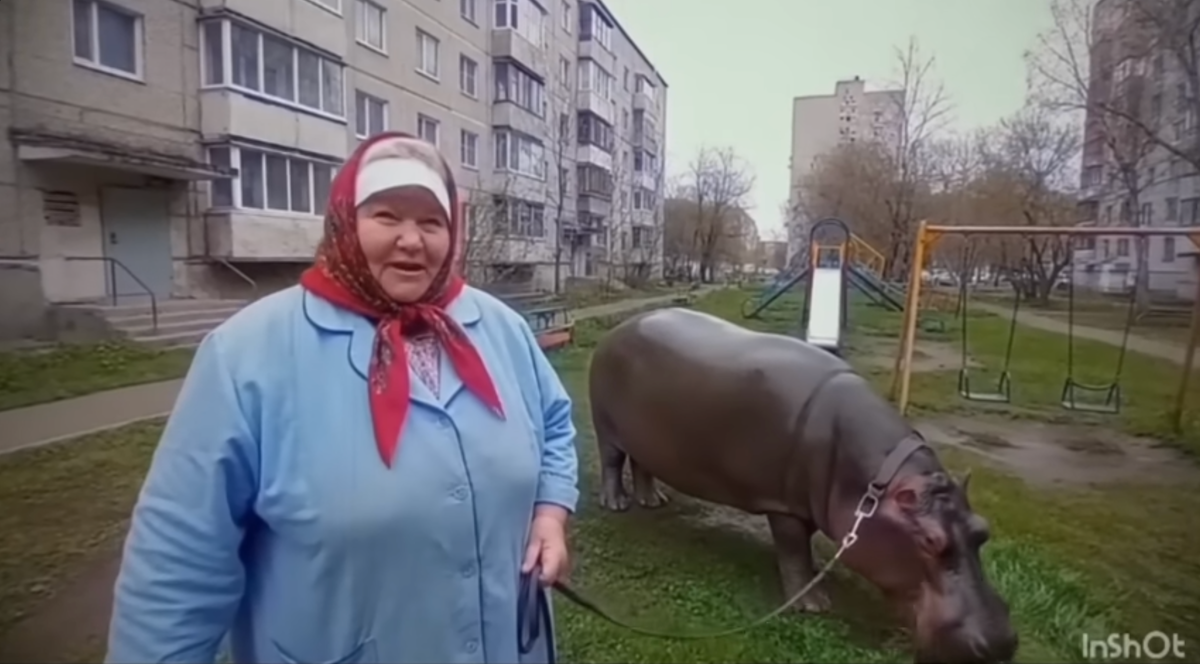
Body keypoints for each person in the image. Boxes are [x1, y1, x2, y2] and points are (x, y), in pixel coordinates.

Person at [106, 132, 580, 664]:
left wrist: (549, 512)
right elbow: (177, 565)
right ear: (344, 223)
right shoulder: (247, 355)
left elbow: (553, 421)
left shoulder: (500, 328)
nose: (411, 240)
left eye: (431, 222)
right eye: (386, 216)